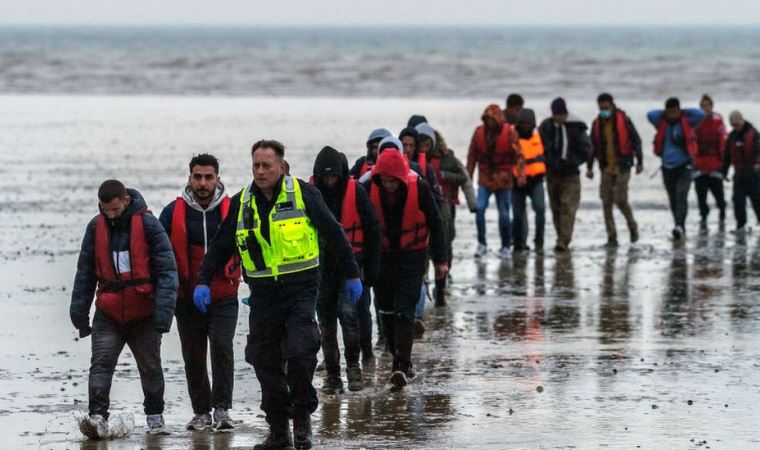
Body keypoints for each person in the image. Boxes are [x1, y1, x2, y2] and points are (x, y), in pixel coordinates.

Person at [195, 140, 362, 450]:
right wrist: (203, 279)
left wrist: (352, 273)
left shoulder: (304, 194)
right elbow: (220, 246)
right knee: (264, 361)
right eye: (256, 166)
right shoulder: (242, 201)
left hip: (300, 290)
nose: (260, 171)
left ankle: (302, 420)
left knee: (301, 354)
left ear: (282, 168)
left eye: (266, 166)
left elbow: (333, 232)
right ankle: (278, 430)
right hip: (263, 296)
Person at [70, 180, 177, 438]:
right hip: (108, 312)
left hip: (144, 313)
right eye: (106, 210)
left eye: (115, 210)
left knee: (150, 366)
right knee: (101, 364)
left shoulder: (150, 225)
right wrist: (79, 313)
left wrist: (164, 315)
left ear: (126, 200)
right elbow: (85, 273)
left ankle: (155, 417)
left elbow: (167, 272)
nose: (111, 215)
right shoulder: (95, 227)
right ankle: (97, 417)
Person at [159, 154, 240, 431]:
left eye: (208, 177)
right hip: (187, 297)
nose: (202, 183)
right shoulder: (172, 213)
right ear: (189, 178)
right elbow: (160, 256)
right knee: (193, 355)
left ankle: (222, 410)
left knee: (221, 347)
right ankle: (201, 412)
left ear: (218, 178)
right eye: (197, 177)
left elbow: (251, 246)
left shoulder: (234, 210)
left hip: (224, 294)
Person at [362, 149, 448, 389]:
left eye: (392, 180)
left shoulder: (419, 188)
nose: (388, 185)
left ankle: (402, 365)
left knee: (404, 309)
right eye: (384, 180)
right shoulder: (369, 189)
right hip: (383, 257)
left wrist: (441, 260)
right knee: (386, 310)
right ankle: (396, 356)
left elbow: (436, 224)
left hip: (412, 256)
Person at [311, 146, 380, 394]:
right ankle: (332, 375)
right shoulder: (310, 194)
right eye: (325, 177)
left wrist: (370, 273)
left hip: (351, 269)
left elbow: (373, 230)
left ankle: (354, 369)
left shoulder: (356, 192)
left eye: (334, 177)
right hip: (320, 271)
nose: (330, 182)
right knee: (326, 326)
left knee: (349, 317)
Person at [415, 119, 477, 305]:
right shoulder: (411, 161)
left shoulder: (447, 158)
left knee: (444, 249)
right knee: (423, 252)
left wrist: (473, 204)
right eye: (422, 144)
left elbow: (465, 179)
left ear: (433, 142)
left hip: (445, 210)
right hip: (421, 212)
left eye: (428, 143)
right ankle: (424, 286)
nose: (424, 147)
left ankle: (440, 288)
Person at [588, 93, 643, 247]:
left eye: (605, 107)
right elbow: (592, 146)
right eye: (600, 108)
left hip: (623, 166)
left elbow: (636, 140)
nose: (603, 111)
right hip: (606, 167)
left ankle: (632, 226)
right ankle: (611, 237)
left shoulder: (624, 120)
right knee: (606, 202)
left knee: (621, 199)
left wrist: (640, 162)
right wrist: (589, 167)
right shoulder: (596, 124)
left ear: (612, 105)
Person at [467, 103, 520, 258]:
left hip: (504, 179)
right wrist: (468, 177)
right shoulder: (479, 133)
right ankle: (482, 243)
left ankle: (505, 246)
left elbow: (519, 156)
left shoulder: (510, 132)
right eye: (487, 119)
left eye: (492, 119)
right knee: (480, 208)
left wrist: (520, 176)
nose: (490, 122)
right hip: (485, 178)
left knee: (504, 214)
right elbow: (472, 156)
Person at [648, 97, 705, 240]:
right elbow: (650, 114)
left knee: (682, 194)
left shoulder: (687, 121)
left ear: (679, 110)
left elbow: (701, 114)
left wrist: (683, 112)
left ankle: (680, 225)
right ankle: (679, 226)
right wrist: (664, 113)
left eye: (675, 112)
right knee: (673, 198)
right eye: (669, 112)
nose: (672, 115)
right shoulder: (661, 122)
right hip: (667, 166)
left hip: (685, 165)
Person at [511, 108, 545, 252]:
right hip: (516, 182)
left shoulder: (540, 135)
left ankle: (539, 242)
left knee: (540, 210)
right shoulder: (511, 136)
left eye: (528, 123)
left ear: (533, 124)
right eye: (523, 123)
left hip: (536, 180)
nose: (525, 126)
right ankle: (519, 244)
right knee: (518, 215)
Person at [722, 111, 760, 232]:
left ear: (741, 121)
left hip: (753, 173)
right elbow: (727, 156)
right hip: (739, 174)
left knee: (757, 200)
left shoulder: (753, 134)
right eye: (733, 125)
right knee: (738, 200)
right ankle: (741, 225)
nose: (735, 127)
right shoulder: (731, 137)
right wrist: (724, 172)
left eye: (737, 124)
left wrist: (758, 164)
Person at [694, 94, 728, 224]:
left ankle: (722, 212)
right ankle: (703, 216)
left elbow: (722, 142)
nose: (705, 108)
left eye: (707, 105)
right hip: (699, 164)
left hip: (714, 163)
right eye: (702, 106)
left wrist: (723, 163)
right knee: (701, 196)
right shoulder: (696, 122)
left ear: (712, 106)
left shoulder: (717, 120)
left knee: (718, 194)